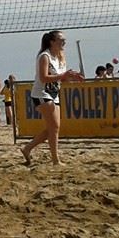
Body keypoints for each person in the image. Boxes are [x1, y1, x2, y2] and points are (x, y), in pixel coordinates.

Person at [20, 30, 84, 165]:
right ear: (52, 42)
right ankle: (55, 160)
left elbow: (60, 79)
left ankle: (27, 148)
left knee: (54, 128)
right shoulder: (45, 56)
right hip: (41, 94)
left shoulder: (60, 57)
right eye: (61, 40)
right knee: (54, 127)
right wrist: (64, 75)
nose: (64, 42)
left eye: (64, 40)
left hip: (54, 94)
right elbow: (44, 78)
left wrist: (72, 77)